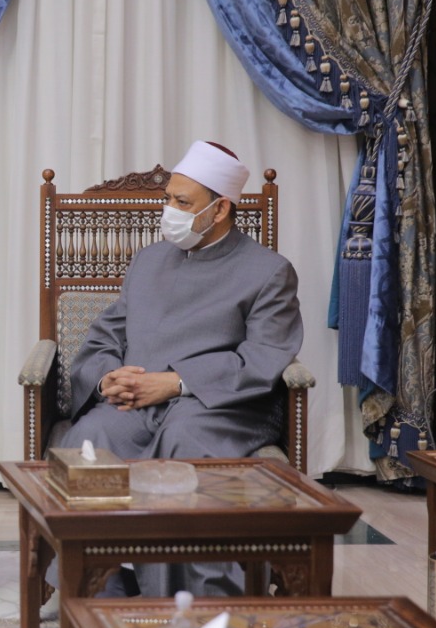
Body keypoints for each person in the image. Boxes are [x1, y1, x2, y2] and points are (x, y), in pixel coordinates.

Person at [60, 140, 304, 598]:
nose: (168, 210)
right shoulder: (148, 260)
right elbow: (106, 334)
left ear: (220, 209)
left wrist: (175, 383)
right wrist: (108, 377)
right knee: (90, 439)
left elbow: (264, 357)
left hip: (218, 408)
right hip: (137, 405)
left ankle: (184, 604)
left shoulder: (269, 271)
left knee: (181, 448)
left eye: (182, 202)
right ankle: (98, 596)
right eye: (168, 198)